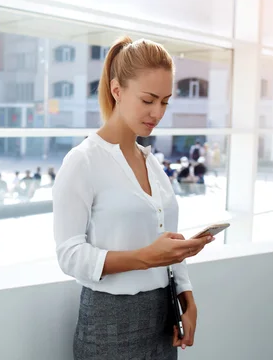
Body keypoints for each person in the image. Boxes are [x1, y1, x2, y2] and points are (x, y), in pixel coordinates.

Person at [53, 36, 214, 360]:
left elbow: (164, 242)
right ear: (117, 90)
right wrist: (145, 257)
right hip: (109, 325)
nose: (157, 112)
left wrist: (187, 297)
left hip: (162, 318)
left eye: (165, 101)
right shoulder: (83, 161)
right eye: (148, 99)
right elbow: (69, 255)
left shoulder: (151, 162)